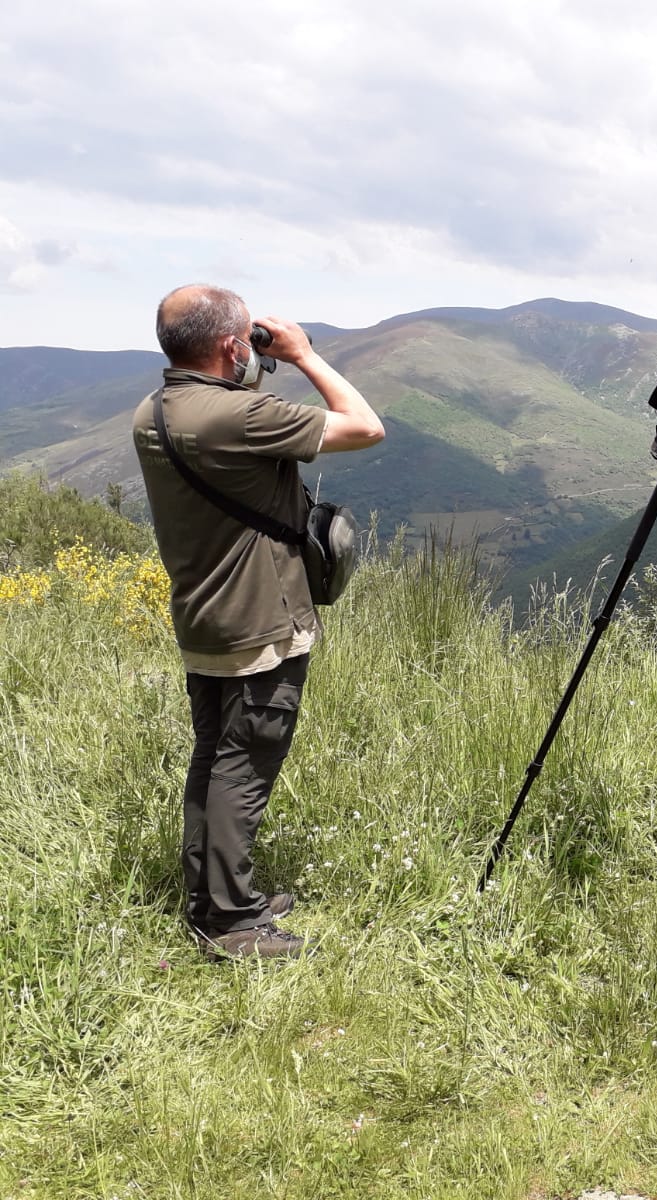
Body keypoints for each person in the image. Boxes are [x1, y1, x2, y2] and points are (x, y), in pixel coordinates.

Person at [132, 284, 384, 960]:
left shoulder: (154, 410)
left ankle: (211, 897)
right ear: (229, 346)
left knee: (214, 759)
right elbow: (364, 424)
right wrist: (303, 355)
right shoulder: (238, 417)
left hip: (203, 618)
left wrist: (249, 365)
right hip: (258, 626)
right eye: (247, 338)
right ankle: (235, 925)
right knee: (244, 767)